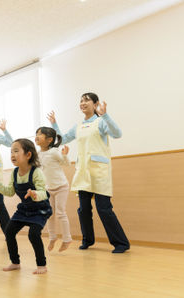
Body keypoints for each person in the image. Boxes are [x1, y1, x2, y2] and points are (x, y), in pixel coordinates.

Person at [48, 92, 130, 253]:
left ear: (95, 104)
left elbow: (117, 134)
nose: (83, 103)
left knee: (104, 209)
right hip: (83, 172)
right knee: (83, 209)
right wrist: (54, 124)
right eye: (81, 101)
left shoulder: (101, 122)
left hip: (99, 172)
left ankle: (121, 243)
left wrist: (106, 115)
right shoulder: (78, 126)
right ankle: (88, 240)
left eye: (86, 100)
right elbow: (62, 139)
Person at [0, 139, 52, 274]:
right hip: (24, 209)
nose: (12, 154)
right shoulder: (14, 172)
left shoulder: (36, 172)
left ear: (28, 155)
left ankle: (42, 265)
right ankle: (15, 262)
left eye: (16, 151)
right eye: (11, 151)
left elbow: (44, 193)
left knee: (33, 234)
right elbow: (10, 192)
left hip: (39, 209)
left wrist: (34, 193)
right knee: (9, 231)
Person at [35, 127, 72, 252]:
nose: (36, 136)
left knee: (61, 213)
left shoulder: (54, 152)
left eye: (40, 134)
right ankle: (52, 237)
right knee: (49, 214)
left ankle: (67, 239)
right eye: (36, 134)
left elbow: (66, 164)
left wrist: (65, 156)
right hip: (48, 189)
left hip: (61, 186)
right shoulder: (38, 154)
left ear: (49, 139)